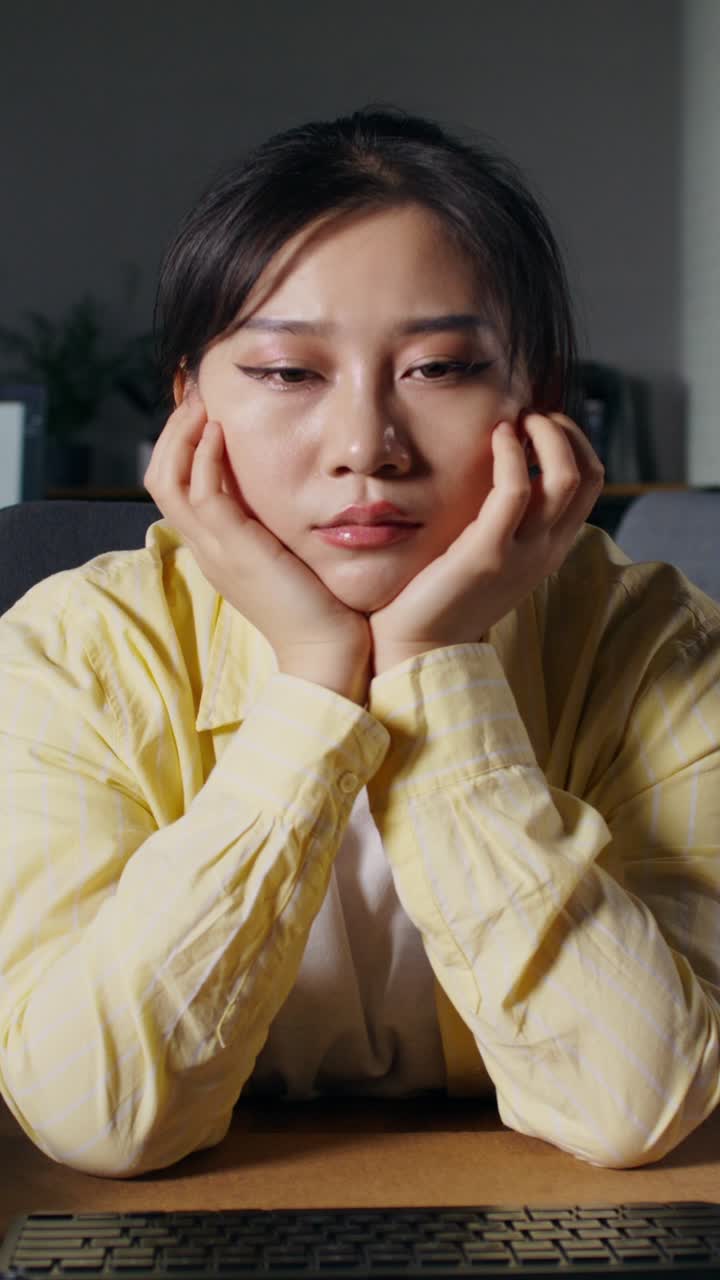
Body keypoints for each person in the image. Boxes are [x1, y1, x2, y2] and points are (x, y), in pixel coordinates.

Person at [2, 108, 720, 1181]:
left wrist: (436, 660)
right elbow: (97, 1115)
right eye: (289, 373)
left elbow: (640, 1105)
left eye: (437, 368)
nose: (363, 450)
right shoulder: (71, 650)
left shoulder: (664, 643)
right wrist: (311, 685)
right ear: (190, 403)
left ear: (540, 397)